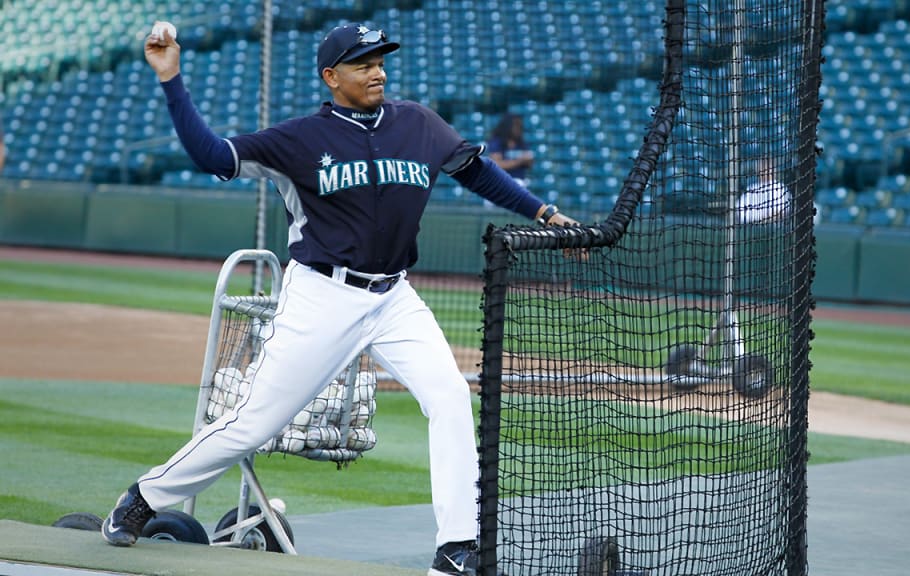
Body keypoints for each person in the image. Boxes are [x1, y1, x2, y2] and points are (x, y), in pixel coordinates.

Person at [101, 21, 579, 576]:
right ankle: (145, 496)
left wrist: (543, 213)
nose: (377, 70)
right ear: (331, 76)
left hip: (394, 295)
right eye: (362, 62)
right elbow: (212, 155)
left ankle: (457, 547)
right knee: (253, 423)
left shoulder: (418, 124)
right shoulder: (298, 139)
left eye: (379, 60)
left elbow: (476, 171)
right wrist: (172, 78)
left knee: (449, 395)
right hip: (321, 296)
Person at [736, 157, 791, 224]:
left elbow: (783, 212)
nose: (765, 171)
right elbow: (740, 211)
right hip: (753, 228)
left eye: (768, 167)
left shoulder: (780, 188)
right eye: (763, 168)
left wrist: (767, 218)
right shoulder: (752, 189)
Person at [486, 113, 533, 188]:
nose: (519, 128)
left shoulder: (521, 143)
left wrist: (527, 160)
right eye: (516, 125)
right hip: (500, 183)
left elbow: (529, 163)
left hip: (519, 183)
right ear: (508, 126)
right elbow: (497, 165)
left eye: (520, 126)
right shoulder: (497, 142)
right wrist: (519, 161)